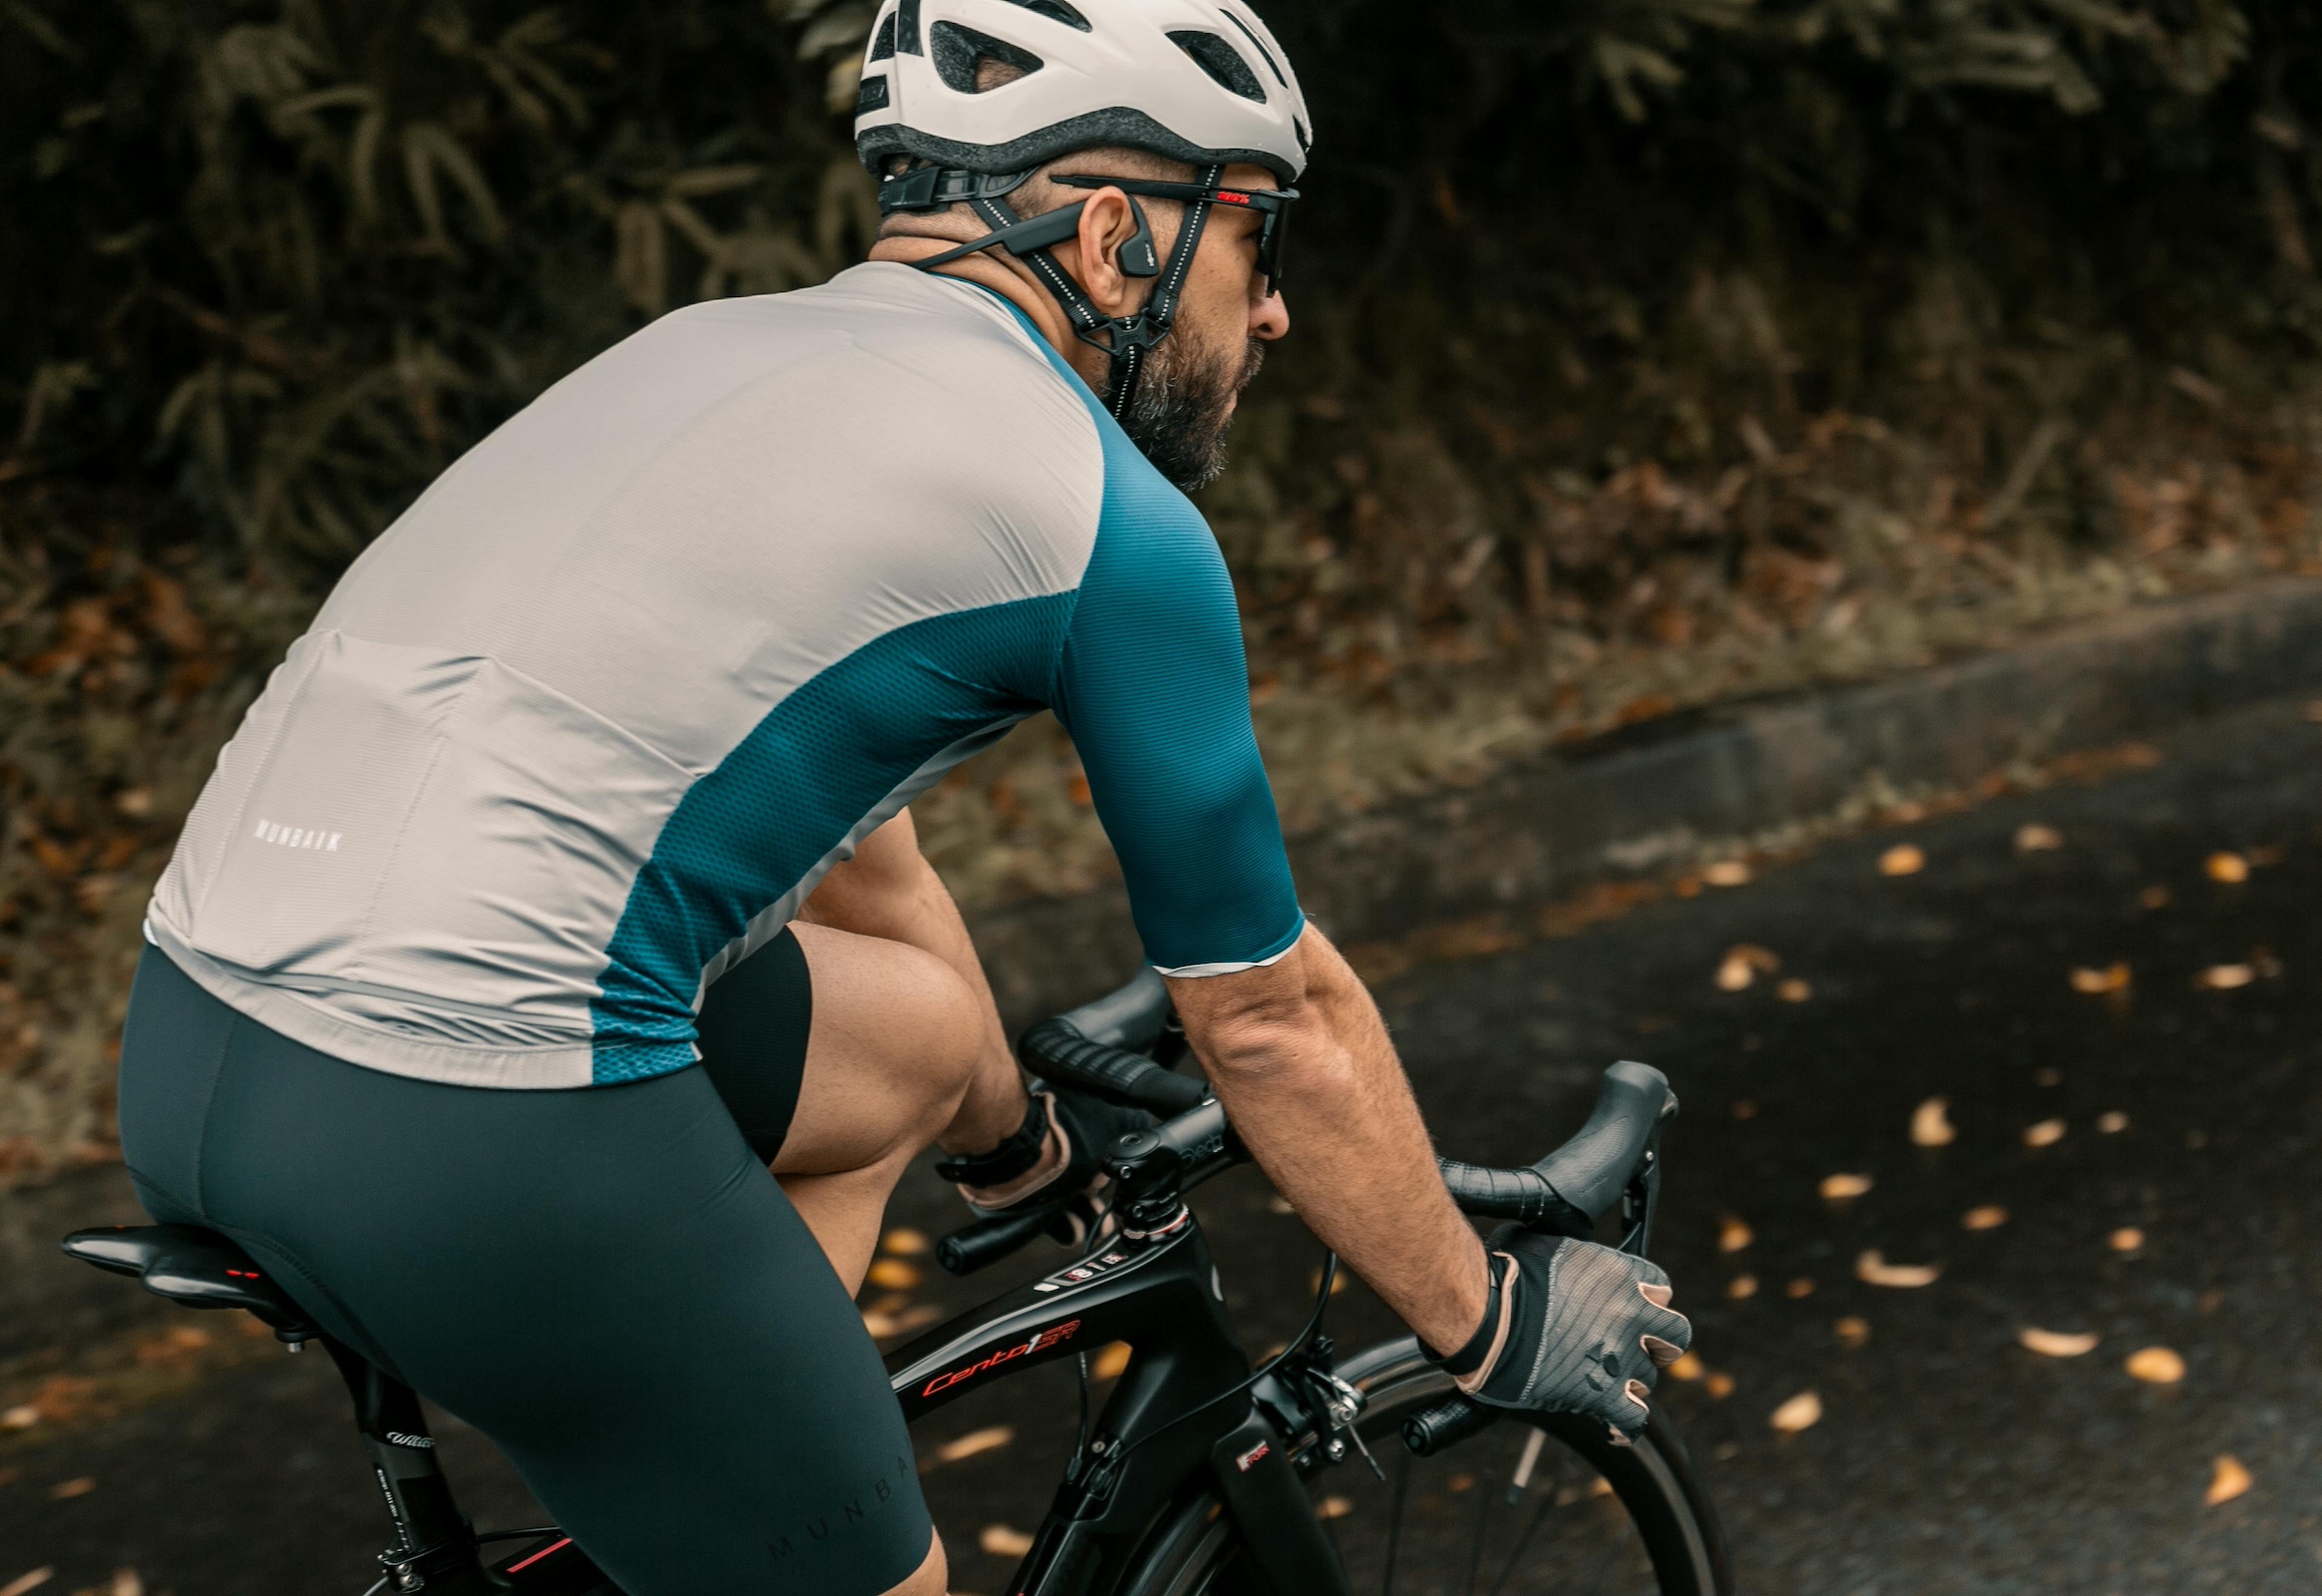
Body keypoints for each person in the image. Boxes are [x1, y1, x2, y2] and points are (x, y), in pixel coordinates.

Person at [114, 2, 1692, 1592]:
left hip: (190, 1049)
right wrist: (1486, 1321)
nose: (1274, 312)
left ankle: (729, 1487)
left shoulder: (711, 346)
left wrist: (1018, 1150)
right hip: (473, 1120)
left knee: (923, 1033)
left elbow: (859, 863)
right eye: (1256, 241)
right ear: (1115, 237)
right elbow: (1271, 1020)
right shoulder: (1104, 519)